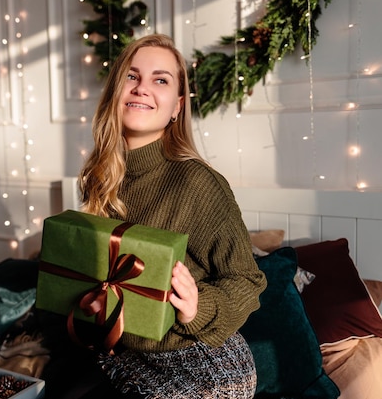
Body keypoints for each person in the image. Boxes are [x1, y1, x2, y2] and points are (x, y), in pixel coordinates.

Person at [74, 33, 268, 398]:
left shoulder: (198, 182)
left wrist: (199, 306)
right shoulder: (97, 178)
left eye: (160, 80)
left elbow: (248, 280)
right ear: (115, 92)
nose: (142, 89)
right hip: (123, 351)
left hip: (199, 361)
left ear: (177, 106)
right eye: (132, 77)